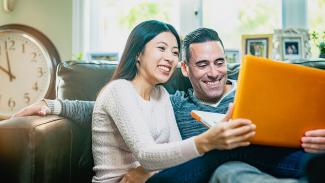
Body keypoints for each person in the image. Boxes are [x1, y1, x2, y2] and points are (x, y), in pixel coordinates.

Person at [12, 26, 324, 182]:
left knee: (231, 155)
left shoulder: (254, 93)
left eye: (220, 62)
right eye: (202, 65)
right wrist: (55, 106)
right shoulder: (171, 101)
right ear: (185, 70)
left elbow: (299, 119)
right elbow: (106, 111)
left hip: (260, 167)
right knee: (228, 156)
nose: (215, 72)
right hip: (195, 173)